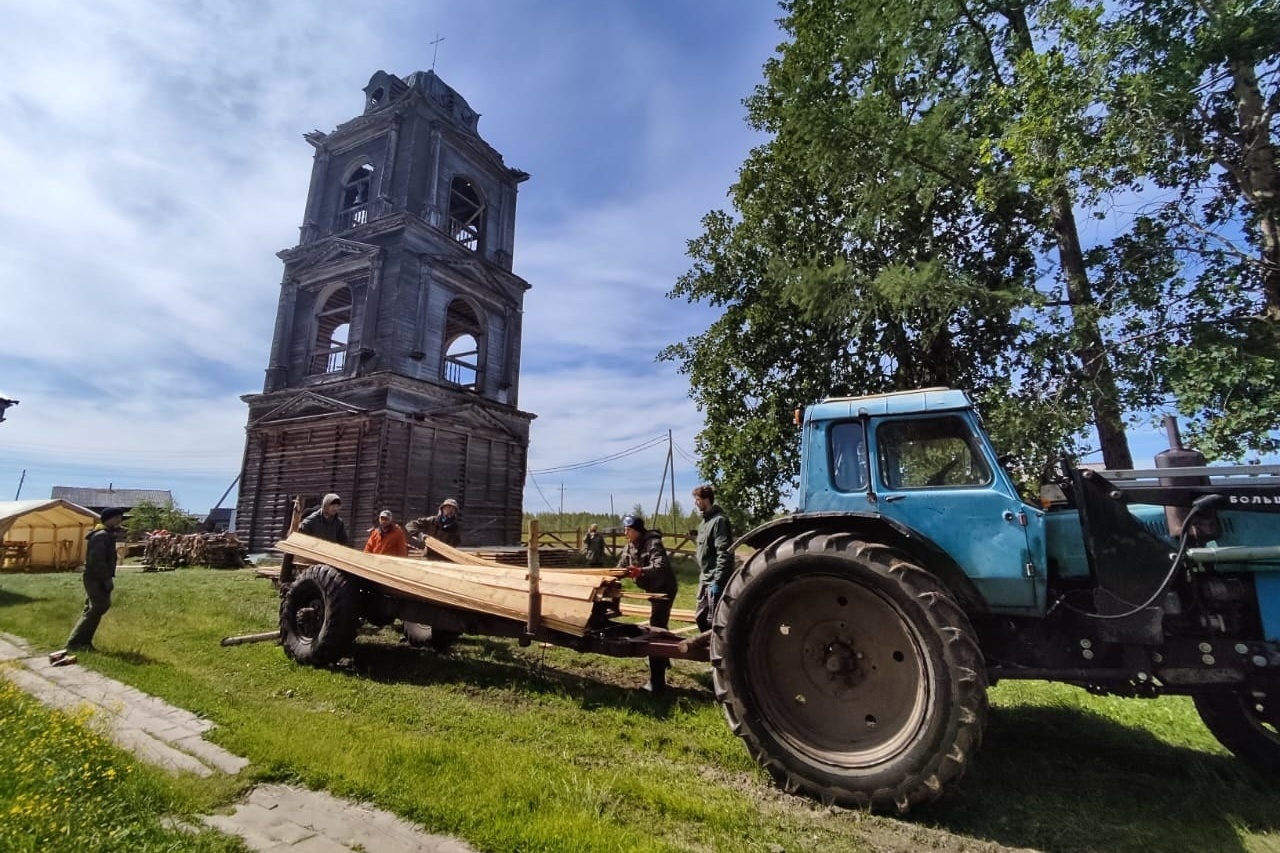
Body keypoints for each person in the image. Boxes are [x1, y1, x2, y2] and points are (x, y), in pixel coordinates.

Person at [617, 514, 677, 694]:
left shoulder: (652, 543)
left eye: (628, 530)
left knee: (656, 629)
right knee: (659, 625)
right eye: (625, 529)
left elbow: (661, 567)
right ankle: (663, 660)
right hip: (651, 589)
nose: (625, 533)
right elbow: (620, 567)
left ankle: (657, 683)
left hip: (664, 589)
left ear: (637, 530)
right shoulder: (629, 546)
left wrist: (640, 572)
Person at [65, 506, 125, 652]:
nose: (119, 520)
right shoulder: (101, 535)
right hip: (96, 577)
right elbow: (97, 560)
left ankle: (83, 642)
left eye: (120, 517)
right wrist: (105, 579)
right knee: (99, 606)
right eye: (116, 517)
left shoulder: (106, 534)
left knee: (93, 608)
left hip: (97, 576)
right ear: (108, 519)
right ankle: (76, 642)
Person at [693, 484, 734, 633]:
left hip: (714, 580)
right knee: (700, 618)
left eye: (698, 499)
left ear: (706, 499)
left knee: (715, 621)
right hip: (705, 578)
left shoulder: (719, 521)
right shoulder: (704, 523)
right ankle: (707, 650)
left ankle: (718, 652)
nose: (695, 503)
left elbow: (724, 553)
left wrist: (718, 581)